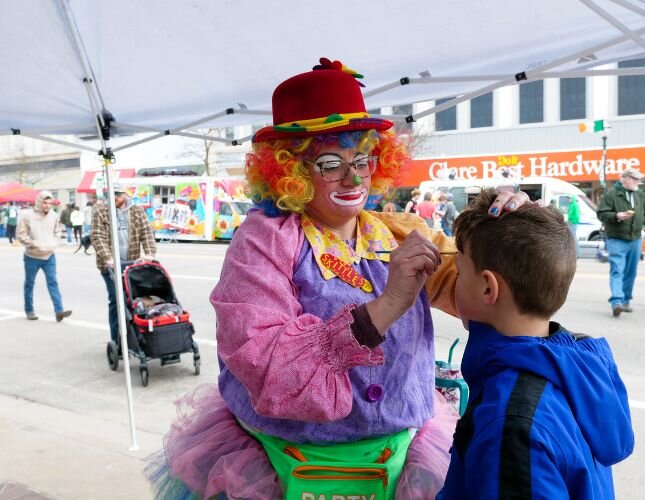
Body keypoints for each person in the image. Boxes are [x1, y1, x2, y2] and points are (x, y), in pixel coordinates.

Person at [146, 58, 533, 500]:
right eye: (330, 163)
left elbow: (487, 293)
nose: (352, 176)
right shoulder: (264, 241)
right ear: (289, 171)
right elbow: (265, 361)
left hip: (401, 459)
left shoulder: (401, 231)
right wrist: (386, 306)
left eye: (362, 159)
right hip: (280, 465)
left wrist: (505, 229)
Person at [438, 189, 634, 499]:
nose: (454, 281)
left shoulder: (510, 422)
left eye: (459, 273)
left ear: (488, 287)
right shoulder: (578, 369)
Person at [91, 184, 157, 344]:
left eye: (118, 195)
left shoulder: (136, 211)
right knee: (116, 300)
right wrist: (108, 258)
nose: (114, 199)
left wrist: (149, 254)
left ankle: (134, 338)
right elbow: (97, 236)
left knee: (133, 301)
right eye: (112, 195)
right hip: (110, 266)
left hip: (131, 265)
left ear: (124, 196)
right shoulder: (101, 211)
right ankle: (117, 340)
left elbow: (146, 232)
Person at [596, 167, 645, 317]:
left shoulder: (640, 195)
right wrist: (617, 216)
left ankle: (625, 300)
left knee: (631, 272)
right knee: (617, 269)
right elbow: (601, 213)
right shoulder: (611, 194)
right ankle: (617, 301)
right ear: (625, 179)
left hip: (635, 238)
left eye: (638, 179)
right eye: (635, 179)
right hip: (616, 238)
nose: (637, 182)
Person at [16, 191, 73, 322]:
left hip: (49, 256)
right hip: (32, 256)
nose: (47, 205)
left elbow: (58, 231)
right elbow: (21, 234)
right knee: (29, 284)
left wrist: (54, 243)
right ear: (39, 202)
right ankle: (29, 310)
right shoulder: (27, 215)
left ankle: (59, 311)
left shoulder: (54, 216)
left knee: (53, 282)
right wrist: (32, 244)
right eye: (44, 203)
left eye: (49, 203)